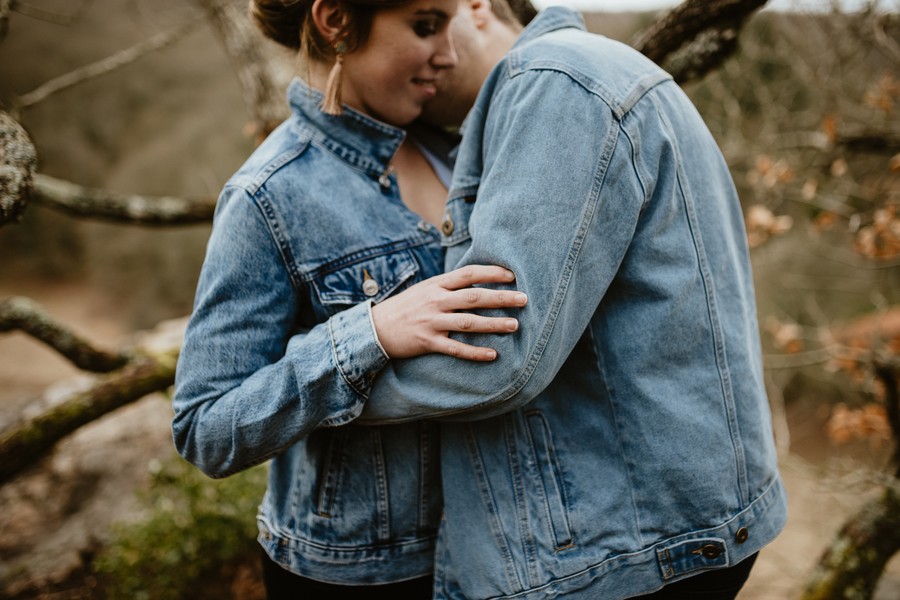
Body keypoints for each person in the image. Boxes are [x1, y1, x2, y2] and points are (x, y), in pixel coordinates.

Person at [358, 1, 789, 598]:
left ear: (477, 6)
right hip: (660, 527)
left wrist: (325, 382)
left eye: (427, 25)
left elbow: (496, 354)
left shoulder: (552, 85)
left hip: (625, 549)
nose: (418, 78)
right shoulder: (591, 73)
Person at [171, 0, 529, 596]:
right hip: (359, 574)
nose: (449, 51)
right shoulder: (269, 197)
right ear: (335, 20)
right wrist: (371, 334)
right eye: (424, 25)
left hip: (491, 549)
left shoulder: (460, 147)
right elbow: (205, 427)